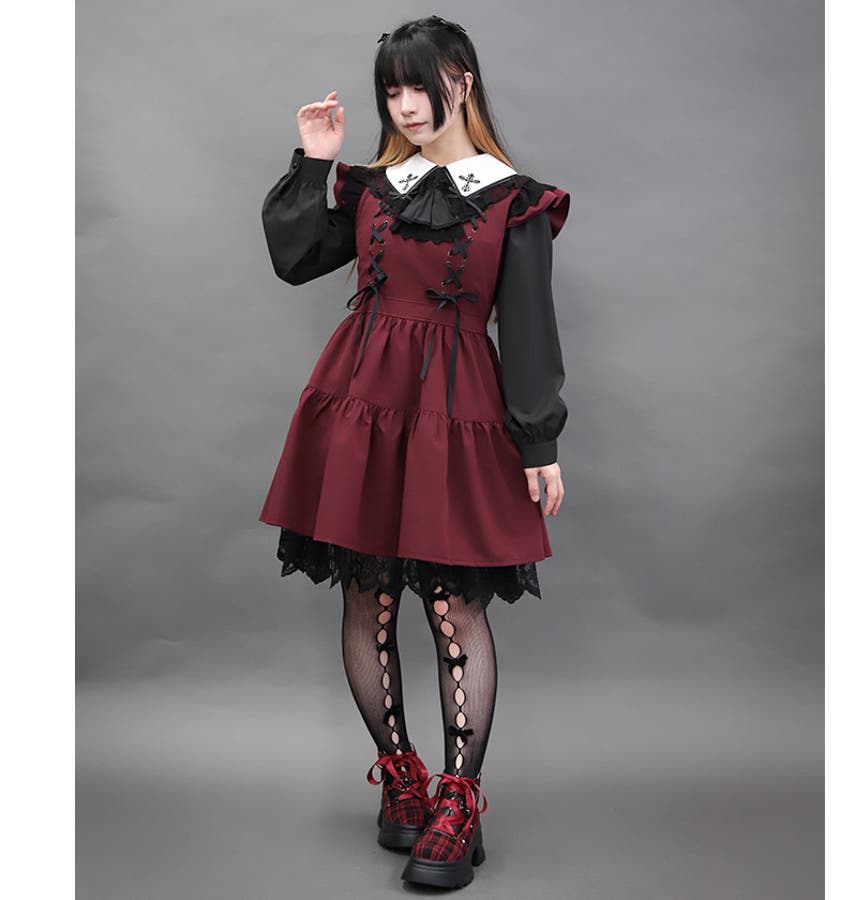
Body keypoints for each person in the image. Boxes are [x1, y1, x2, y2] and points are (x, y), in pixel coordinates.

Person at [259, 15, 570, 890]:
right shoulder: (374, 186)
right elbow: (295, 258)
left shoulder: (513, 200)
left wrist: (539, 440)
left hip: (454, 410)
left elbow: (531, 327)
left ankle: (459, 803)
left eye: (418, 86)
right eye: (390, 89)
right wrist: (315, 162)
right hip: (360, 403)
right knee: (368, 594)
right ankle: (403, 781)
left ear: (461, 81)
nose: (403, 105)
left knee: (451, 603)